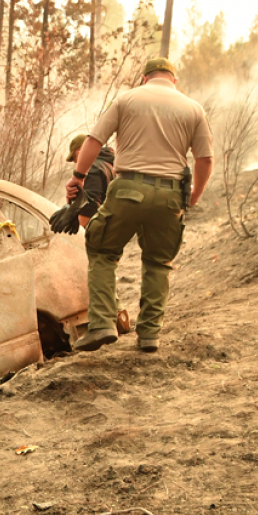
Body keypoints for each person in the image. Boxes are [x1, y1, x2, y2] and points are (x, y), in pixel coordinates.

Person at [66, 57, 213, 353]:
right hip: (170, 195)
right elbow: (205, 159)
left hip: (128, 189)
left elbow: (95, 140)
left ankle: (103, 324)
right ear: (174, 81)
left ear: (144, 79)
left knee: (101, 248)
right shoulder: (193, 108)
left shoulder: (127, 99)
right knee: (159, 263)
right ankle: (149, 336)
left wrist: (79, 177)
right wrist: (193, 196)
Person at [66, 134, 130, 335]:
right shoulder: (112, 163)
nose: (76, 163)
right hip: (118, 223)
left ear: (79, 152)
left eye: (75, 158)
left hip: (101, 226)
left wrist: (84, 229)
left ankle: (106, 324)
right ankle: (120, 318)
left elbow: (91, 203)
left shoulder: (93, 168)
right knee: (108, 270)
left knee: (98, 272)